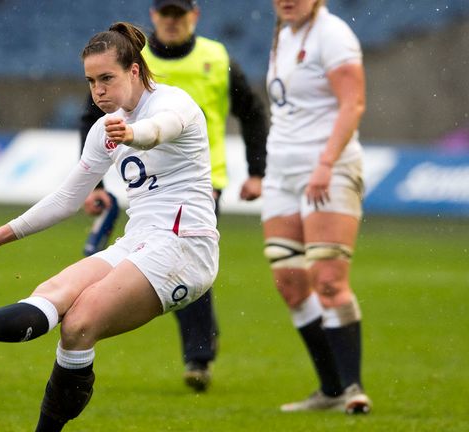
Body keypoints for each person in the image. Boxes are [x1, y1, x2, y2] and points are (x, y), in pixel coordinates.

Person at [0, 22, 220, 431]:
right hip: (139, 241)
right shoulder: (105, 128)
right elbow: (67, 198)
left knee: (80, 322)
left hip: (186, 249)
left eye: (107, 79)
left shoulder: (173, 103)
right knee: (53, 294)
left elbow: (160, 130)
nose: (98, 91)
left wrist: (133, 133)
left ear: (134, 70)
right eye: (90, 82)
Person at [79, 0, 268, 392]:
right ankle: (198, 345)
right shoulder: (129, 60)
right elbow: (92, 118)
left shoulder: (215, 57)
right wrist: (93, 185)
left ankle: (198, 355)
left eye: (178, 14)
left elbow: (250, 110)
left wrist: (257, 171)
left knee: (180, 254)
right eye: (165, 14)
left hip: (200, 177)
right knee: (167, 259)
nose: (171, 21)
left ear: (194, 16)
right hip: (143, 181)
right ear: (153, 16)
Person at [263, 0, 371, 414]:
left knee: (328, 280)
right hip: (281, 176)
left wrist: (325, 163)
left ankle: (353, 387)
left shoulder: (333, 34)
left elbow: (353, 103)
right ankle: (330, 389)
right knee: (290, 283)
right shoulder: (285, 35)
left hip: (327, 168)